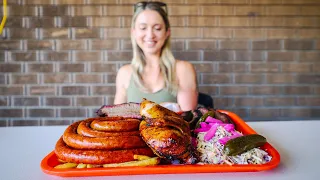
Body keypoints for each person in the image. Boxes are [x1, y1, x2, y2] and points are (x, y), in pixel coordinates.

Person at [114, 1, 198, 111]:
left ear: (167, 32)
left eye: (157, 28)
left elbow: (188, 119)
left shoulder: (183, 69)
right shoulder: (124, 73)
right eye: (143, 28)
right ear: (134, 32)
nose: (150, 35)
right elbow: (116, 119)